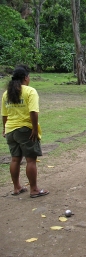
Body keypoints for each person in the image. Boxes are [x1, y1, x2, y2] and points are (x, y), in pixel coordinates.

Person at [1, 65, 49, 198]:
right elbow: (33, 112)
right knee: (30, 160)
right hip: (25, 129)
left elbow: (4, 115)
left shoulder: (7, 93)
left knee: (15, 159)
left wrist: (4, 128)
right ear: (25, 78)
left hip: (11, 130)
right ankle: (34, 189)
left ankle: (17, 187)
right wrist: (34, 128)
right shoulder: (30, 91)